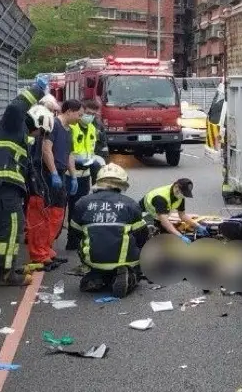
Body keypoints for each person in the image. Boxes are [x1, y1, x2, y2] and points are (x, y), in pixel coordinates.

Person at [0, 76, 52, 286]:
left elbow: (28, 171)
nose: (39, 135)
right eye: (41, 131)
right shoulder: (13, 125)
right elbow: (14, 108)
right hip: (1, 181)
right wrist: (37, 90)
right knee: (11, 226)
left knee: (12, 225)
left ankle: (5, 267)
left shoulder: (18, 137)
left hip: (3, 183)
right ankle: (4, 273)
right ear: (37, 122)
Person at [71, 164, 149, 297]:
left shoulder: (82, 203)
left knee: (85, 245)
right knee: (139, 252)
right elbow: (142, 235)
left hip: (93, 259)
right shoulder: (130, 203)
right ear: (121, 184)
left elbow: (75, 232)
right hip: (125, 260)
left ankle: (97, 276)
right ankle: (130, 276)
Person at [26, 99, 83, 268]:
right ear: (69, 111)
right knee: (42, 214)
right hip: (46, 175)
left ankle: (46, 248)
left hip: (60, 174)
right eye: (79, 114)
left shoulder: (69, 130)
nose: (80, 118)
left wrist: (73, 176)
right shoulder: (53, 125)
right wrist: (53, 173)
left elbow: (69, 154)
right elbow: (46, 149)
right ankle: (39, 254)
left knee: (56, 214)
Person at [65, 99, 106, 253]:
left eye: (93, 114)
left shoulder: (92, 129)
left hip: (84, 175)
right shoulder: (71, 128)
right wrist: (78, 161)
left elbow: (94, 150)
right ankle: (62, 239)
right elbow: (66, 152)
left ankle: (74, 240)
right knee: (64, 208)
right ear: (81, 112)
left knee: (79, 208)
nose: (90, 117)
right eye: (88, 113)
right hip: (69, 174)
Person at [140, 178, 197, 242]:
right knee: (145, 237)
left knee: (169, 233)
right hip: (144, 215)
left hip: (158, 214)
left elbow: (182, 215)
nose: (183, 196)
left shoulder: (179, 196)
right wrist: (180, 236)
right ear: (176, 186)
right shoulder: (161, 198)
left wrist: (198, 226)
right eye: (183, 193)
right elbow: (164, 222)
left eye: (185, 194)